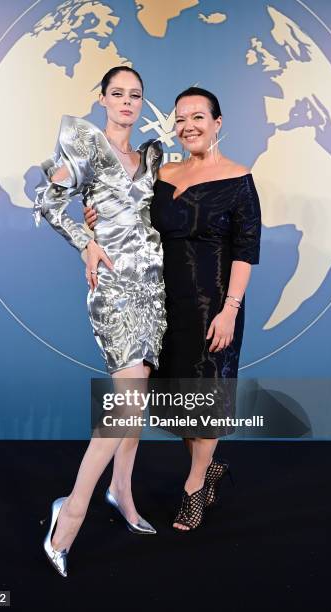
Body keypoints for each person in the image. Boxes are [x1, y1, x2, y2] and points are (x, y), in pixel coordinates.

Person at [84, 86, 261, 532]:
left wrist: (230, 309)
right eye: (181, 119)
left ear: (217, 123)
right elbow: (130, 209)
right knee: (181, 401)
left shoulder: (239, 179)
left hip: (213, 306)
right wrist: (94, 218)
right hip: (162, 306)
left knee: (206, 397)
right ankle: (208, 469)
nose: (188, 127)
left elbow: (245, 251)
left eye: (198, 118)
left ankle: (194, 487)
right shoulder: (162, 173)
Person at [33, 66, 166, 577]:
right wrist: (86, 240)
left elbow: (153, 215)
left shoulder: (152, 156)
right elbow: (47, 202)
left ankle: (122, 494)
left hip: (153, 286)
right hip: (111, 285)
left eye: (136, 94)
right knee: (127, 403)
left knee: (135, 403)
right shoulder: (84, 148)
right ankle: (70, 512)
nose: (128, 102)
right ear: (104, 99)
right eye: (118, 94)